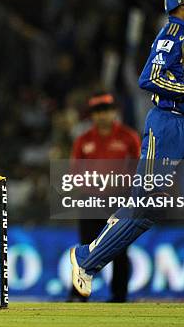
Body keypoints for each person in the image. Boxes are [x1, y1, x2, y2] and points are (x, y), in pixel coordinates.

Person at [70, 0, 184, 304]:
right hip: (166, 128)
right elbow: (148, 78)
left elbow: (183, 85)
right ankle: (85, 259)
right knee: (145, 207)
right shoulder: (171, 36)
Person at [67, 92, 140, 302]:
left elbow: (139, 169)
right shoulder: (83, 140)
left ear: (114, 112)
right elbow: (75, 173)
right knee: (86, 247)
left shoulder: (128, 137)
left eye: (106, 111)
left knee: (119, 249)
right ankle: (78, 294)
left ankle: (119, 296)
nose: (102, 116)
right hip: (91, 201)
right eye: (98, 112)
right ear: (92, 115)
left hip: (119, 202)